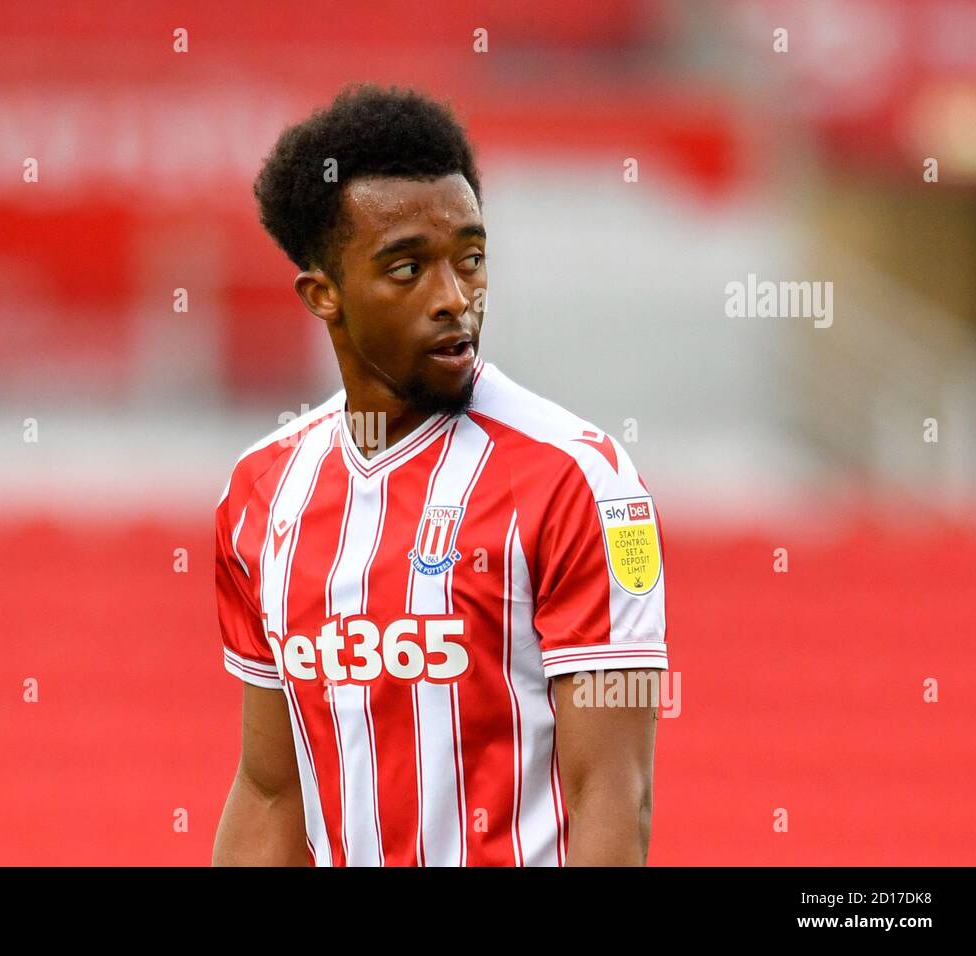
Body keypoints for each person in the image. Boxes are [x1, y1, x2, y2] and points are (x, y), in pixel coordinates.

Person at [212, 83, 668, 866]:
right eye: (407, 268)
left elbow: (613, 796)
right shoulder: (262, 493)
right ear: (323, 294)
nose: (456, 298)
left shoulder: (579, 480)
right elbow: (270, 791)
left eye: (471, 259)